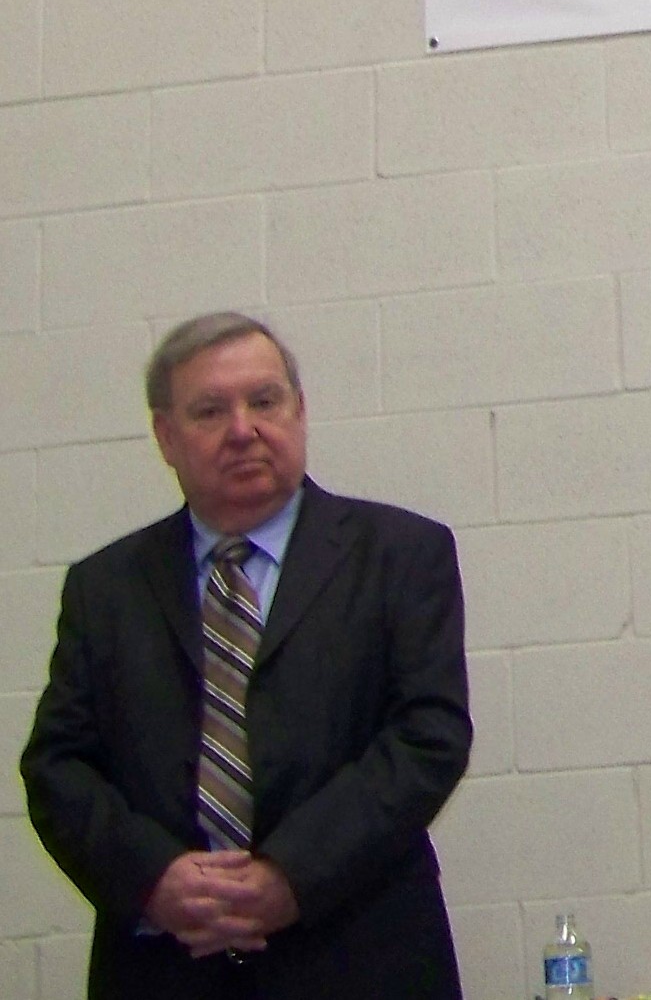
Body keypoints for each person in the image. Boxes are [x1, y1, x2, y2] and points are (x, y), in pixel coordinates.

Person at [21, 312, 472, 1000]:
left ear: (300, 410)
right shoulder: (104, 587)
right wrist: (151, 879)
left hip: (361, 955)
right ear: (165, 437)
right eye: (210, 411)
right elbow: (58, 767)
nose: (243, 430)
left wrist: (292, 875)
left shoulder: (401, 555)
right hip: (165, 969)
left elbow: (427, 739)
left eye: (264, 401)